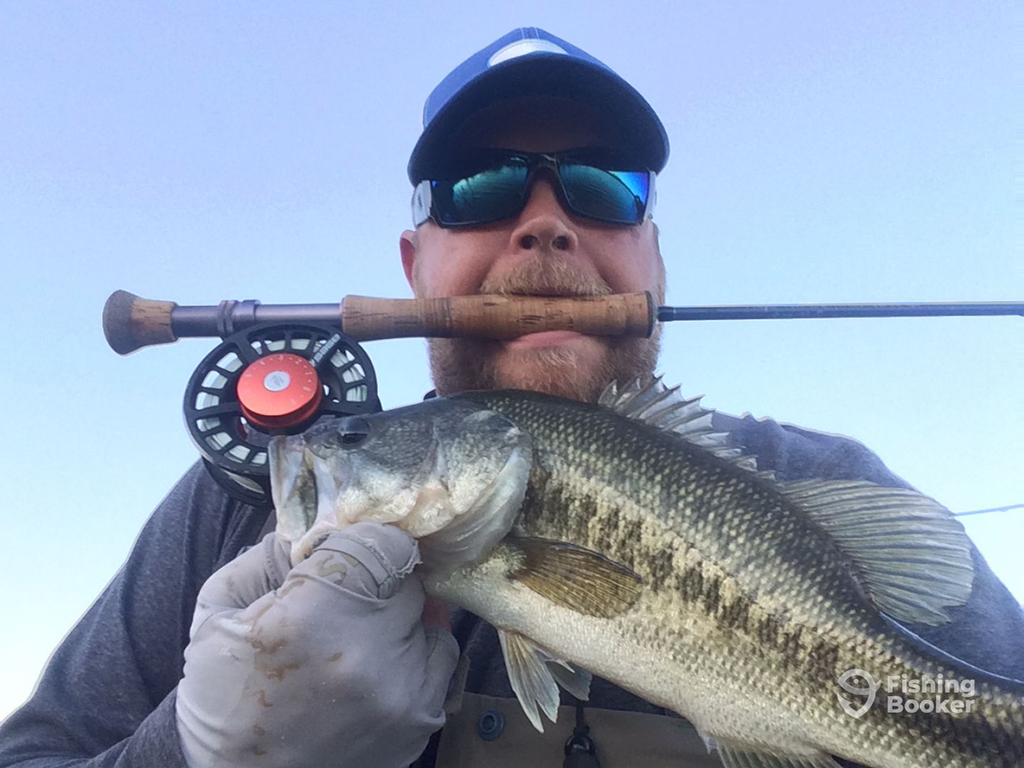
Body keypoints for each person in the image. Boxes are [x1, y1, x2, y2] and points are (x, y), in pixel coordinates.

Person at [1, 27, 1021, 768]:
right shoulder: (234, 510)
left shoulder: (819, 482)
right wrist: (193, 753)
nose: (543, 226)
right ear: (415, 264)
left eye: (601, 188)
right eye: (482, 189)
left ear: (653, 261)